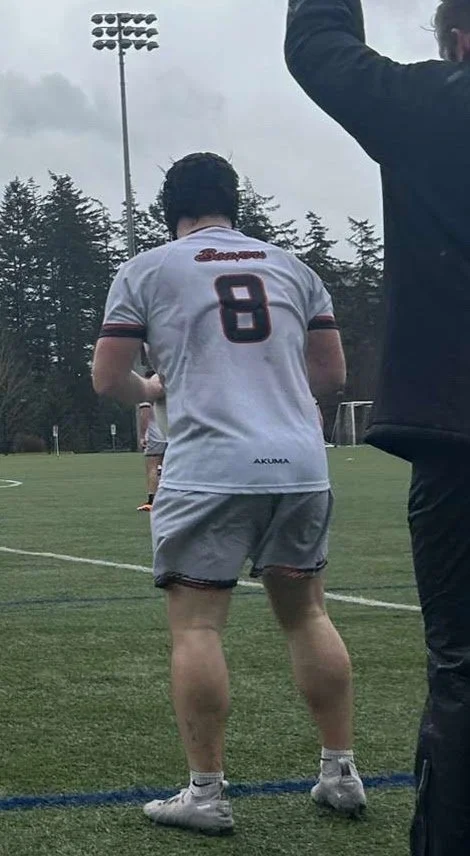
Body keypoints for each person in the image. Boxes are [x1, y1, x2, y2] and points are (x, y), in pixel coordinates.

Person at [92, 152, 366, 836]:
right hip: (298, 463)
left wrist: (152, 390)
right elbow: (330, 371)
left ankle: (206, 792)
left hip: (210, 465)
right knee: (306, 616)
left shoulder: (148, 268)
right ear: (233, 203)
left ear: (171, 207)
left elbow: (107, 378)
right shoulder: (295, 269)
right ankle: (340, 773)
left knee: (198, 626)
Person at [284, 2, 470, 853]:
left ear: (458, 45)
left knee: (464, 673)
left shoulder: (435, 105)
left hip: (459, 442)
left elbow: (320, 47)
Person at [137, 370, 168, 512]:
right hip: (169, 433)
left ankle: (152, 500)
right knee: (167, 466)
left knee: (152, 467)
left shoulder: (148, 391)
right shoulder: (168, 389)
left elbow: (145, 414)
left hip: (155, 434)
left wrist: (143, 435)